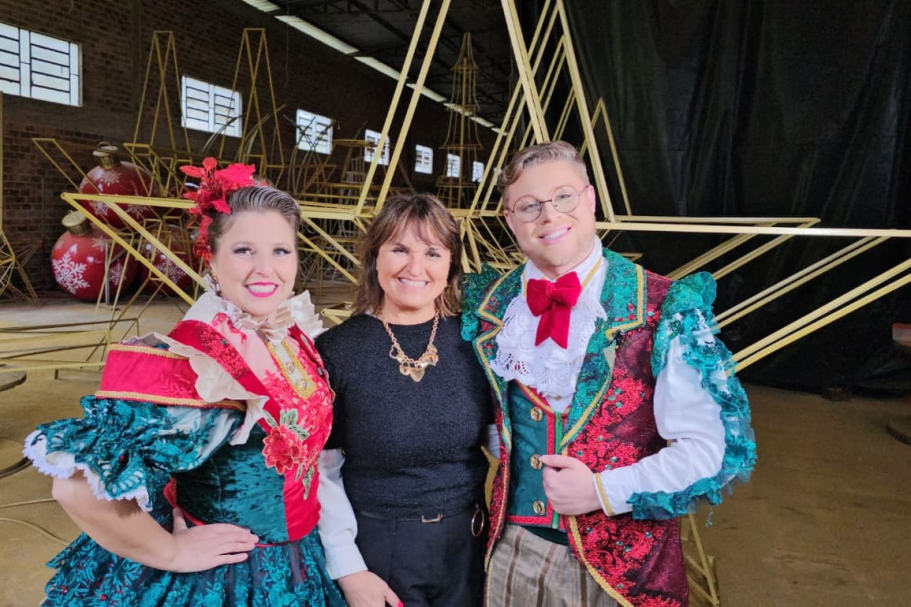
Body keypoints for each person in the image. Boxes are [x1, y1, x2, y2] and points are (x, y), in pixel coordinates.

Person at [23, 158, 346, 606]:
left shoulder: (289, 330)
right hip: (232, 577)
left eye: (280, 251)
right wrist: (169, 551)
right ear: (211, 257)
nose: (266, 269)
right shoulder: (197, 359)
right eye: (244, 250)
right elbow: (75, 483)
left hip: (302, 558)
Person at [460, 141, 757, 607]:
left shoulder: (664, 307)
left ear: (590, 199)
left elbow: (710, 452)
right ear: (510, 220)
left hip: (626, 567)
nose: (549, 215)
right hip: (509, 554)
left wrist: (603, 490)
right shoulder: (491, 304)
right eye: (529, 205)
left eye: (563, 197)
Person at [315, 193, 494, 607]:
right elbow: (322, 470)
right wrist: (348, 568)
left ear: (451, 265)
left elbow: (504, 442)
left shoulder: (476, 343)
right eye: (399, 249)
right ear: (374, 257)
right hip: (379, 548)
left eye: (432, 252)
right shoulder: (336, 351)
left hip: (471, 543)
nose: (415, 268)